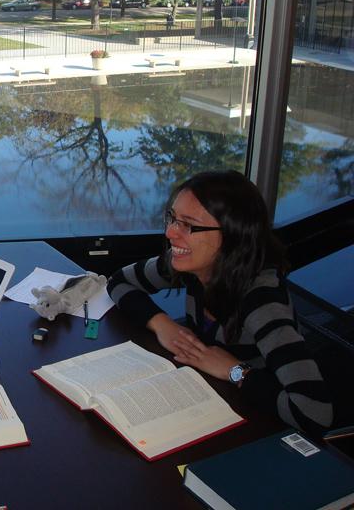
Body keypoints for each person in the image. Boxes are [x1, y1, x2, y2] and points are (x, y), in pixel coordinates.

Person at [107, 170, 333, 435]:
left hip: (256, 422)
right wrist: (162, 324)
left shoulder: (263, 302)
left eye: (188, 225)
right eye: (172, 218)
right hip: (208, 396)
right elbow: (118, 281)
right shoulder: (191, 265)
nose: (170, 232)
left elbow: (315, 413)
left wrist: (237, 371)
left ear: (233, 235)